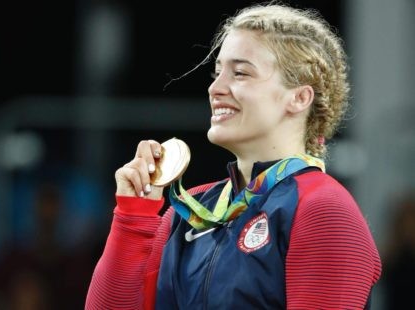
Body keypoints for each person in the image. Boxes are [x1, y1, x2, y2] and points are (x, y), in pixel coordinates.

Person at [85, 2, 381, 309]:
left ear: (299, 98)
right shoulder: (186, 215)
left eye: (240, 73)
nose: (215, 87)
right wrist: (134, 215)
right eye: (217, 73)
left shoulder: (323, 209)